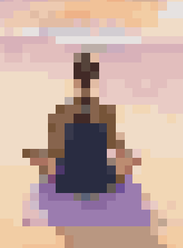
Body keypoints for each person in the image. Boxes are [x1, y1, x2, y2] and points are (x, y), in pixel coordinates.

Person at [23, 53, 138, 197]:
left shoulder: (62, 114)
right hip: (99, 182)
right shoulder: (105, 113)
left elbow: (54, 153)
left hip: (70, 182)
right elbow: (117, 148)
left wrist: (33, 155)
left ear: (76, 77)